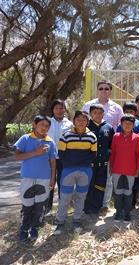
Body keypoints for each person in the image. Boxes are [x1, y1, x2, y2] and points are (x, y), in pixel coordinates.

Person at [14, 115, 57, 243]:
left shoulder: (50, 142)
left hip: (44, 178)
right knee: (27, 205)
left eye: (47, 126)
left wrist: (52, 178)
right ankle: (24, 230)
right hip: (28, 177)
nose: (44, 128)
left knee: (40, 206)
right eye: (41, 124)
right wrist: (35, 153)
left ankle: (34, 227)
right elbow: (17, 156)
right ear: (34, 124)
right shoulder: (25, 139)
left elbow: (53, 161)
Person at [83, 80, 123, 213]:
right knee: (89, 180)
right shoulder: (88, 105)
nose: (104, 91)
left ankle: (104, 204)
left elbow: (120, 129)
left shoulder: (117, 108)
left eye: (106, 89)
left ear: (110, 91)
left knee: (107, 181)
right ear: (97, 90)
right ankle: (87, 205)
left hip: (107, 151)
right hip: (90, 155)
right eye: (101, 88)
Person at [54, 110, 97, 235]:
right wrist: (70, 163)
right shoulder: (66, 136)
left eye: (84, 120)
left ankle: (77, 219)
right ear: (73, 122)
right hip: (68, 170)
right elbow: (61, 154)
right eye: (78, 119)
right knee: (65, 197)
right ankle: (60, 221)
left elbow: (93, 155)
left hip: (85, 170)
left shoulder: (92, 137)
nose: (81, 122)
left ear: (88, 122)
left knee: (81, 197)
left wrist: (83, 163)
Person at [110, 114, 139, 223]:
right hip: (117, 169)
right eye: (124, 123)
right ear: (121, 124)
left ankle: (127, 213)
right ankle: (118, 212)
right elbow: (113, 153)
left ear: (133, 125)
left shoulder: (137, 138)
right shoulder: (116, 137)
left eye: (129, 124)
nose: (127, 126)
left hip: (130, 170)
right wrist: (111, 166)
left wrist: (137, 169)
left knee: (128, 192)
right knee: (118, 192)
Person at [83, 104, 115, 217]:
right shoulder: (86, 127)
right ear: (90, 114)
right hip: (89, 163)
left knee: (102, 184)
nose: (98, 115)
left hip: (104, 162)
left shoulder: (108, 127)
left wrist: (109, 153)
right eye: (95, 113)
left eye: (100, 113)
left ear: (104, 114)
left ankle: (100, 206)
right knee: (89, 184)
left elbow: (112, 145)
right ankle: (88, 207)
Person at [116, 101, 139, 210]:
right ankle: (123, 204)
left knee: (136, 182)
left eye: (131, 112)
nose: (129, 113)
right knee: (122, 183)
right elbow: (117, 138)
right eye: (126, 112)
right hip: (123, 159)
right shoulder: (121, 124)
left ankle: (134, 202)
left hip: (136, 158)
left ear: (135, 113)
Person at [46, 99, 73, 216]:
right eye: (56, 108)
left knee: (63, 182)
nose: (59, 110)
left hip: (64, 157)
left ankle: (63, 208)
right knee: (50, 181)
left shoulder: (70, 124)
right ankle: (48, 208)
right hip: (49, 157)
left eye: (61, 108)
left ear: (65, 110)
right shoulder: (47, 122)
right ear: (52, 110)